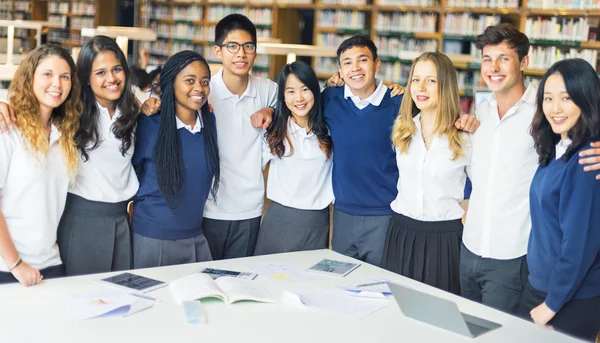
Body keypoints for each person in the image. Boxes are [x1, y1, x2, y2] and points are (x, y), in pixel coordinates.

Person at [459, 24, 600, 314]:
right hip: (469, 247)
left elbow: (584, 125)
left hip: (513, 256)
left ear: (524, 62)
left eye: (504, 58)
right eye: (487, 59)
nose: (494, 68)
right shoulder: (480, 112)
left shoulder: (546, 112)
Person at [323, 35, 479, 267]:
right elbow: (296, 110)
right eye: (347, 63)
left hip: (387, 215)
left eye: (362, 60)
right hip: (343, 213)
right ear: (340, 70)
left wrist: (464, 120)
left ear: (377, 64)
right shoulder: (329, 99)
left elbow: (437, 114)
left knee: (381, 285)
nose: (355, 68)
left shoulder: (401, 104)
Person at [140, 14, 276, 260]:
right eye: (232, 46)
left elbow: (301, 109)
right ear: (218, 50)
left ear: (256, 51)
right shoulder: (203, 91)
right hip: (206, 209)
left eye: (248, 47)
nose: (241, 54)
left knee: (237, 281)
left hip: (249, 207)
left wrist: (272, 111)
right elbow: (171, 100)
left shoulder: (269, 90)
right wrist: (150, 103)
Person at [517, 59, 600, 341]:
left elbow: (579, 245)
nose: (555, 108)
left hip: (568, 298)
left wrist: (551, 305)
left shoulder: (586, 161)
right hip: (545, 286)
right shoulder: (557, 148)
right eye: (548, 98)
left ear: (585, 99)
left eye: (566, 98)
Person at [381, 52, 470, 294]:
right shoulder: (403, 128)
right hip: (402, 233)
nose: (421, 87)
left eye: (431, 80)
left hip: (444, 239)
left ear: (446, 85)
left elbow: (481, 188)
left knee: (439, 317)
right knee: (397, 310)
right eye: (416, 79)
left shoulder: (464, 135)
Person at [56, 36, 140, 276]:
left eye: (116, 69)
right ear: (86, 78)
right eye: (100, 73)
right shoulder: (70, 113)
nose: (111, 79)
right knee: (85, 300)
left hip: (122, 219)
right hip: (83, 219)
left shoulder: (133, 109)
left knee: (123, 299)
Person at [0, 44, 81, 285]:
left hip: (51, 263)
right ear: (30, 77)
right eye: (47, 74)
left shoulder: (63, 134)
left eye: (64, 76)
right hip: (9, 267)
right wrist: (16, 264)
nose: (57, 83)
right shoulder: (8, 129)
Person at [131, 50, 219, 268]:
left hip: (196, 236)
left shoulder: (209, 123)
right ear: (171, 82)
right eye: (190, 80)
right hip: (153, 238)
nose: (199, 87)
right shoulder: (148, 124)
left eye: (205, 81)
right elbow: (130, 174)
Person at [254, 61, 333, 255]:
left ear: (315, 90)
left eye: (305, 89)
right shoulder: (274, 130)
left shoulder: (330, 129)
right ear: (283, 95)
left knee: (307, 282)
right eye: (290, 91)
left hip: (317, 221)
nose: (299, 98)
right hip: (279, 219)